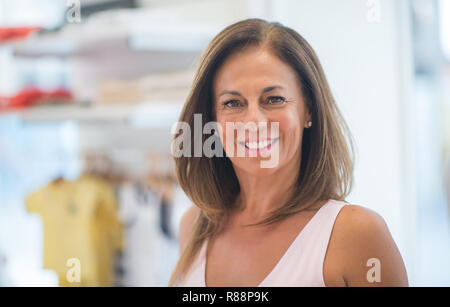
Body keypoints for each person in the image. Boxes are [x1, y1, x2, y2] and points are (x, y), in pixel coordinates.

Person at [169, 18, 408, 287]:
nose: (254, 122)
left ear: (308, 110)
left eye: (274, 99)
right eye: (233, 103)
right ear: (212, 118)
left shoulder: (357, 235)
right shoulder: (193, 227)